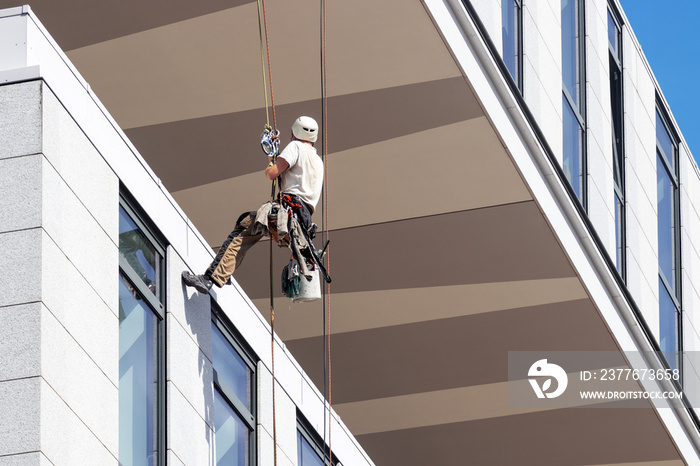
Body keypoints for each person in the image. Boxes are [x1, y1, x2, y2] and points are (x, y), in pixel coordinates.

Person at [182, 116, 323, 293]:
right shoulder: (318, 161)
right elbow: (293, 179)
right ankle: (224, 272)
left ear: (294, 132)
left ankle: (212, 278)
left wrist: (271, 161)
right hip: (302, 221)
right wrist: (275, 154)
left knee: (244, 227)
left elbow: (272, 173)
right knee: (247, 224)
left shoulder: (295, 147)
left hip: (288, 211)